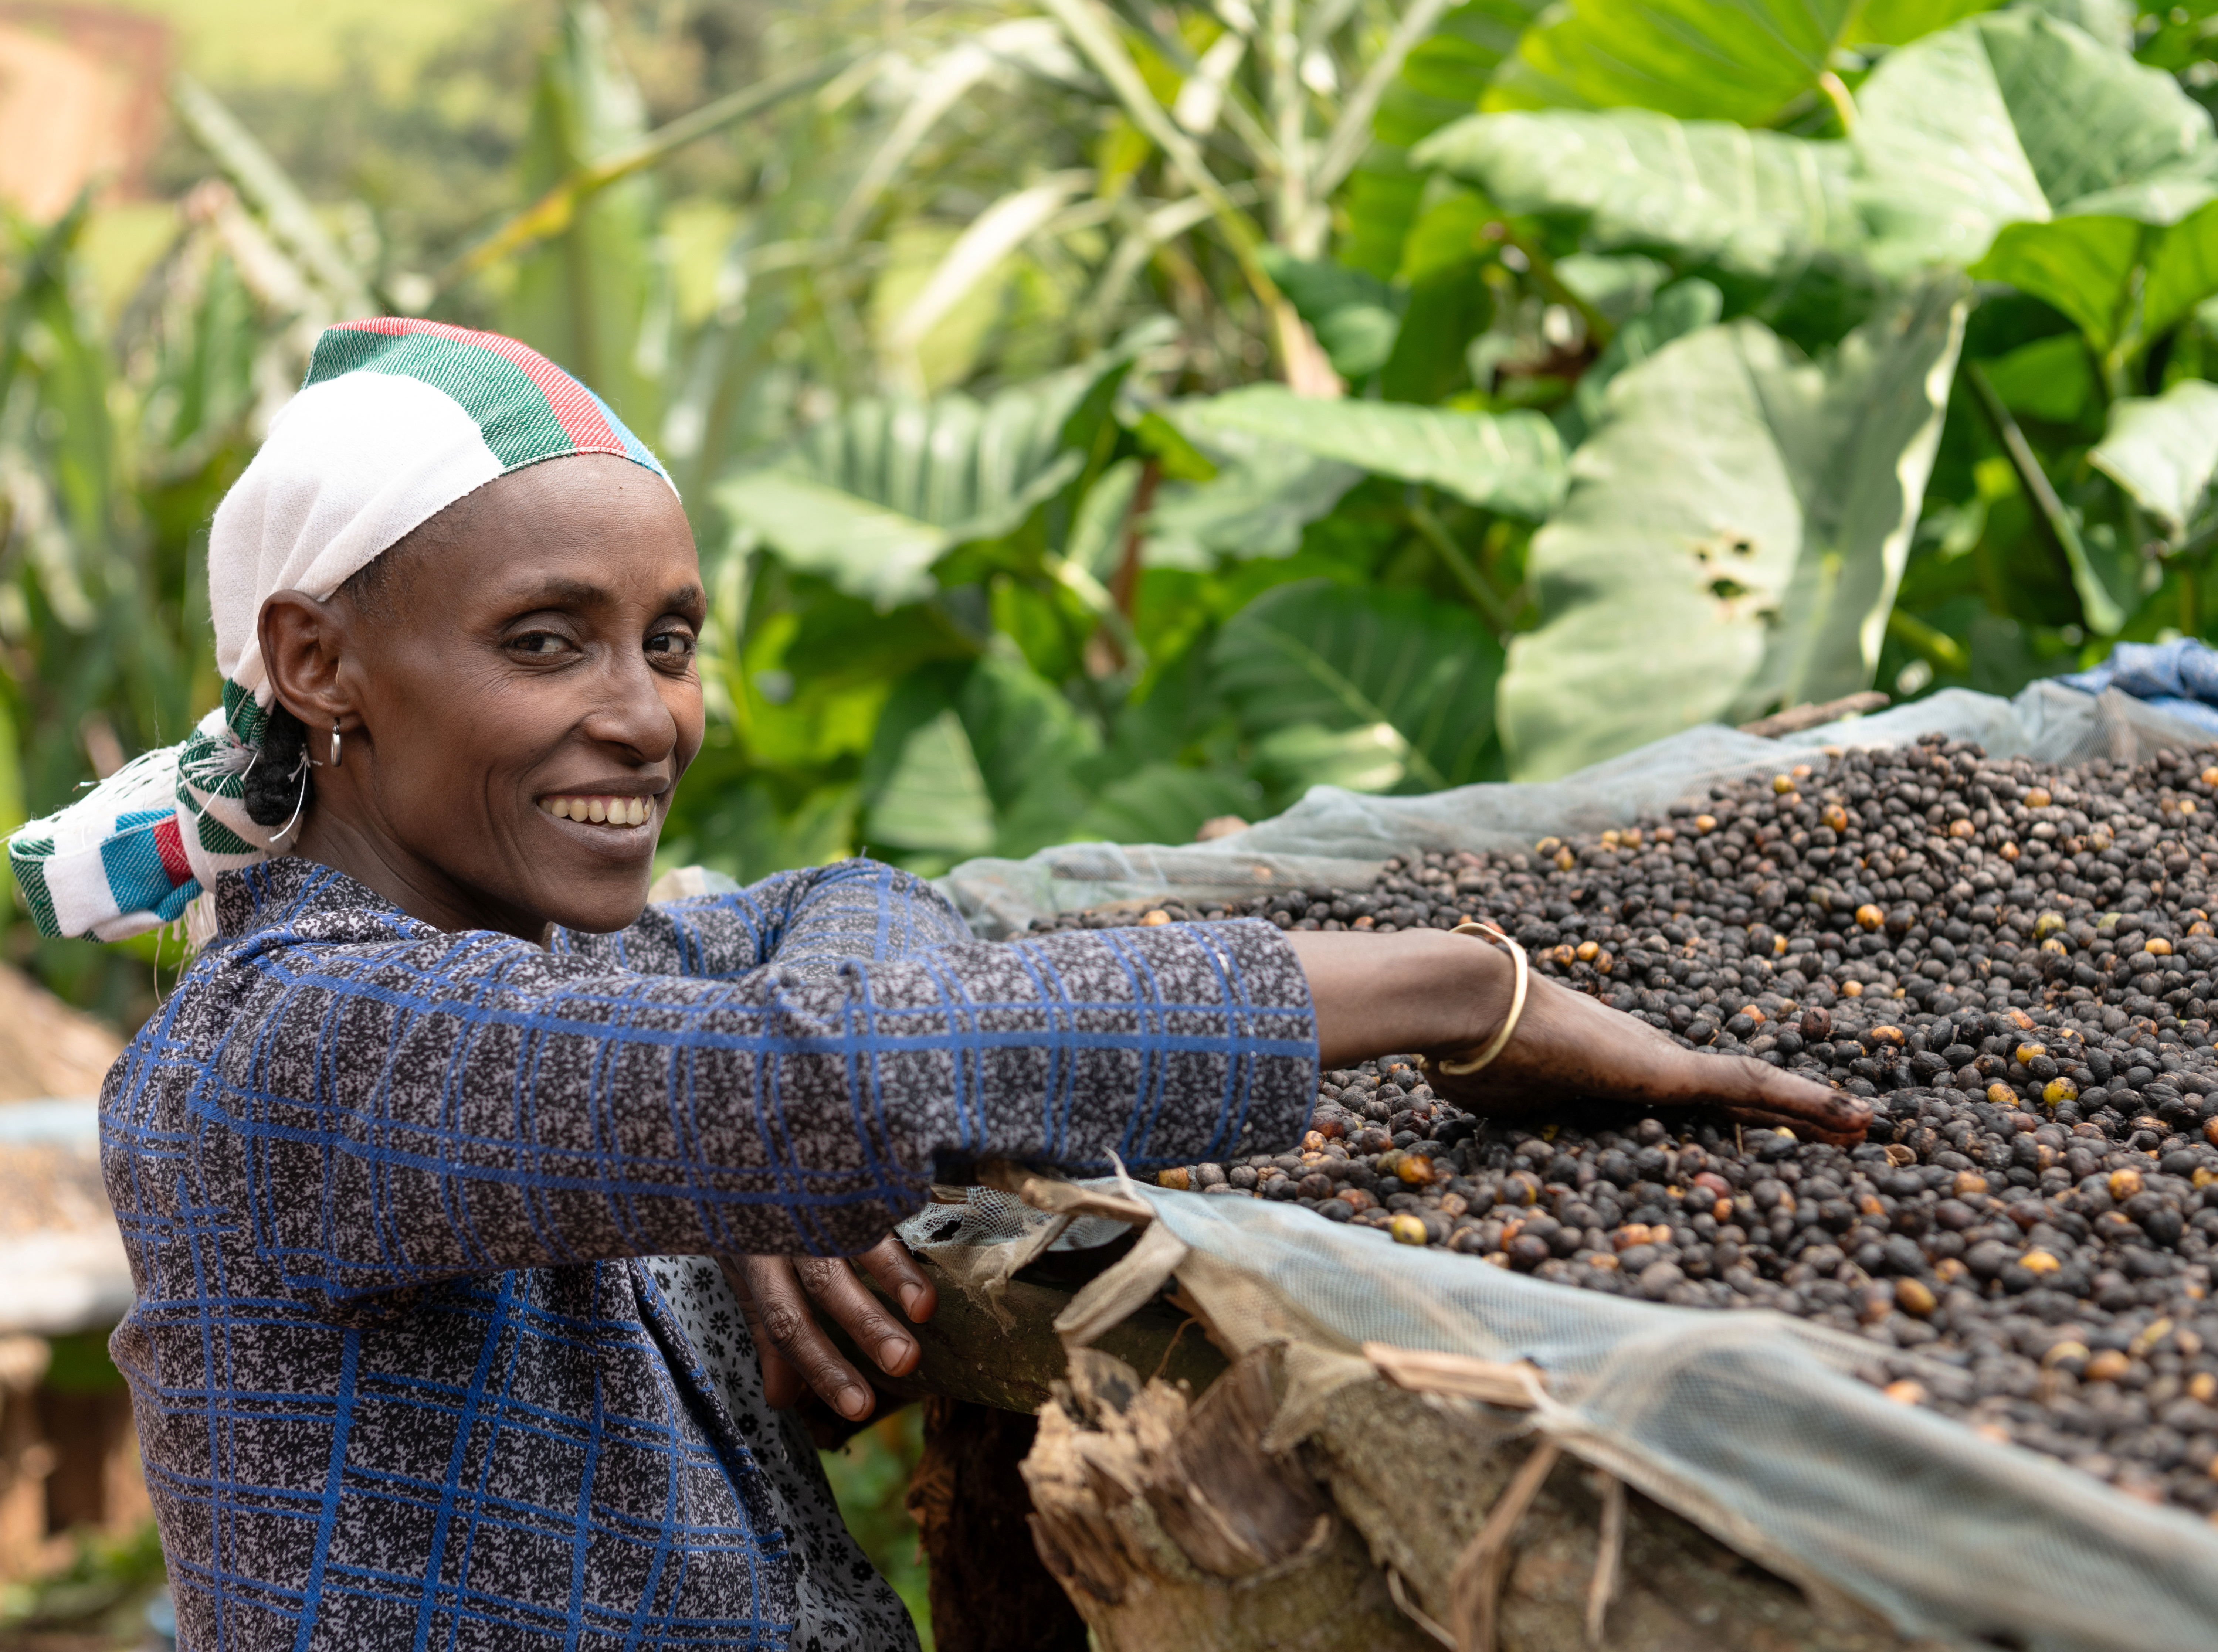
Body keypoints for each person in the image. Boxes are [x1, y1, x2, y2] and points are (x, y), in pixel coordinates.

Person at [7, 320, 1867, 1652]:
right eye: (543, 639)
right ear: (320, 661)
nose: (644, 717)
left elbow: (838, 933)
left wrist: (739, 1143)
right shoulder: (284, 1054)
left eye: (670, 640)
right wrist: (1467, 988)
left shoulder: (576, 967)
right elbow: (840, 1064)